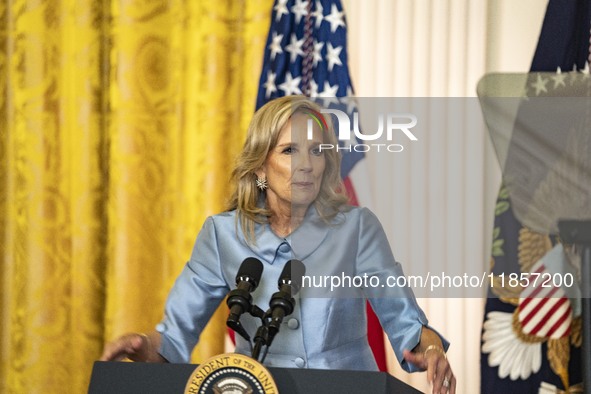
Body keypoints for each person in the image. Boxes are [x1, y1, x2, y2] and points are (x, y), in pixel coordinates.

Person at [101, 95, 456, 393]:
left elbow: (406, 325)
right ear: (259, 168)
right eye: (289, 150)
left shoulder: (357, 229)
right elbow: (174, 339)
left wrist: (431, 347)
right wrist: (145, 346)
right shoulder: (222, 235)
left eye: (317, 151)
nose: (306, 165)